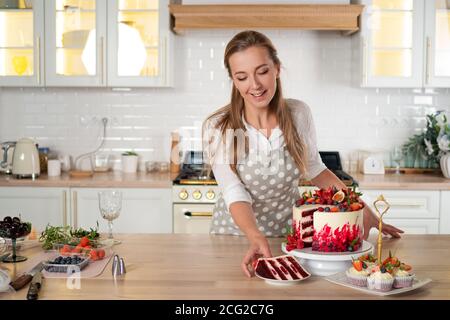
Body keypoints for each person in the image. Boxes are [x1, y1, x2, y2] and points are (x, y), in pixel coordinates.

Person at [202, 30, 404, 278]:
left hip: (290, 238)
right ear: (234, 80)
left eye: (262, 71)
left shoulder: (298, 114)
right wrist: (255, 236)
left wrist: (362, 210)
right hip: (235, 239)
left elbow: (316, 170)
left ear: (277, 68)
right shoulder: (218, 127)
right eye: (242, 77)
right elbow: (234, 190)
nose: (254, 85)